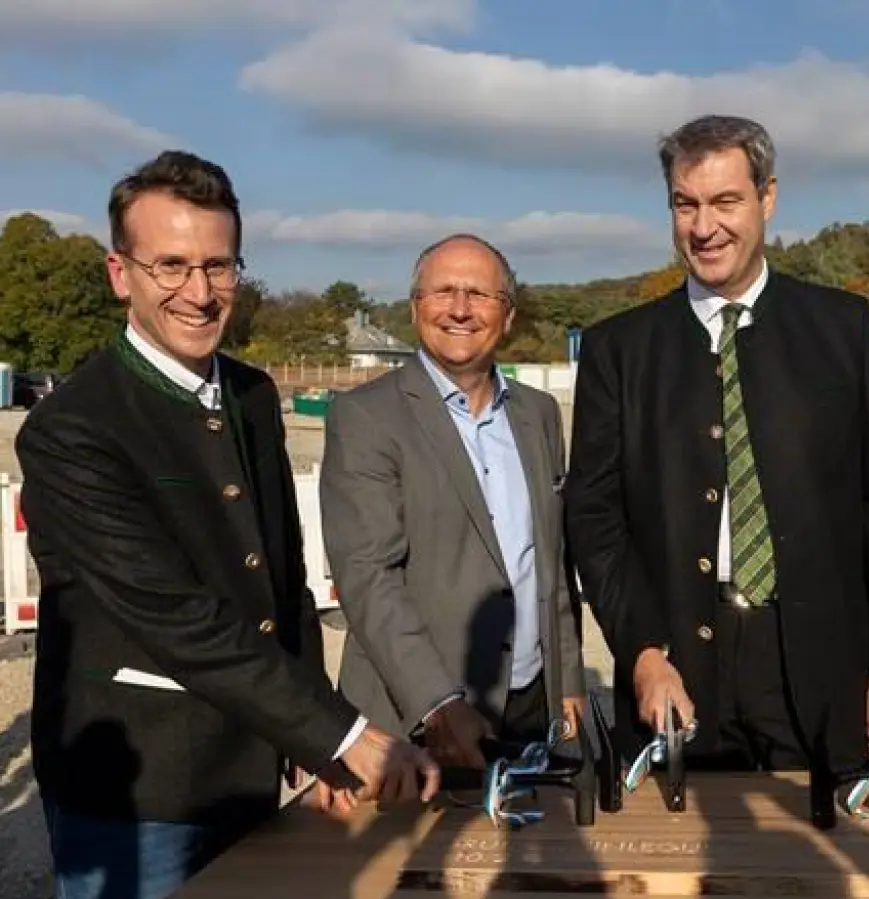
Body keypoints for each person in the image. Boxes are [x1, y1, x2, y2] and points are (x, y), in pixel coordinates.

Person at [17, 150, 438, 899]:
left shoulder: (250, 392)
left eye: (219, 266)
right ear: (122, 275)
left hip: (247, 766)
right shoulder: (73, 428)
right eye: (170, 266)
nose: (199, 292)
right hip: (137, 793)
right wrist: (343, 732)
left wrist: (312, 742)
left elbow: (281, 574)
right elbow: (173, 613)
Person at [565, 114, 869, 783]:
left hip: (821, 664)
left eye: (726, 201)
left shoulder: (842, 328)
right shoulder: (618, 348)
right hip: (677, 666)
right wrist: (643, 652)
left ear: (767, 198)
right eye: (686, 204)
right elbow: (596, 520)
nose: (704, 227)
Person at [321, 233, 586, 768]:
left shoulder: (539, 415)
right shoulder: (366, 417)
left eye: (479, 295)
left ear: (507, 315)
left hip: (533, 705)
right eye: (442, 292)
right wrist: (439, 703)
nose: (460, 310)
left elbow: (550, 563)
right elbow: (368, 578)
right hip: (416, 722)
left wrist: (569, 681)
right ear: (416, 307)